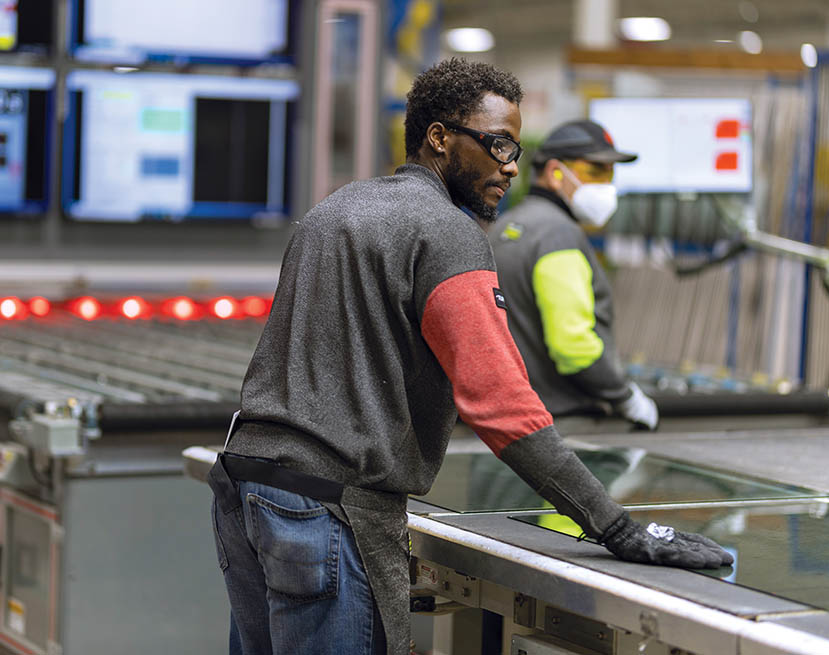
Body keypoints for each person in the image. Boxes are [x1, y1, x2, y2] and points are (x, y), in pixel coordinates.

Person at [207, 59, 731, 655]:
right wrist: (617, 528)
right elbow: (502, 405)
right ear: (439, 138)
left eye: (517, 148)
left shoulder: (335, 211)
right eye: (498, 143)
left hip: (245, 489)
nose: (511, 165)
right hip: (326, 510)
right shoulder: (446, 234)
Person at [490, 120, 659, 430]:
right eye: (594, 172)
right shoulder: (558, 237)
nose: (607, 185)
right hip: (558, 427)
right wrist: (625, 396)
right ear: (555, 172)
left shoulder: (505, 228)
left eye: (610, 174)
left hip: (501, 428)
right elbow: (573, 346)